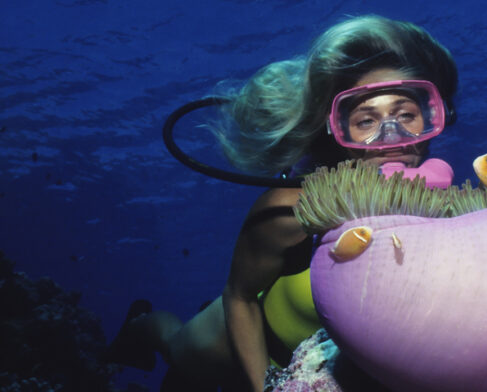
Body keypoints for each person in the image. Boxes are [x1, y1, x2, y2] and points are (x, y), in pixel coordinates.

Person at [106, 14, 459, 392]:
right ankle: (141, 325)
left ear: (434, 117)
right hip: (235, 345)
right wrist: (265, 386)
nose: (393, 137)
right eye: (366, 121)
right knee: (176, 349)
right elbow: (239, 296)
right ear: (336, 131)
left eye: (407, 115)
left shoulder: (448, 211)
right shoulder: (290, 208)